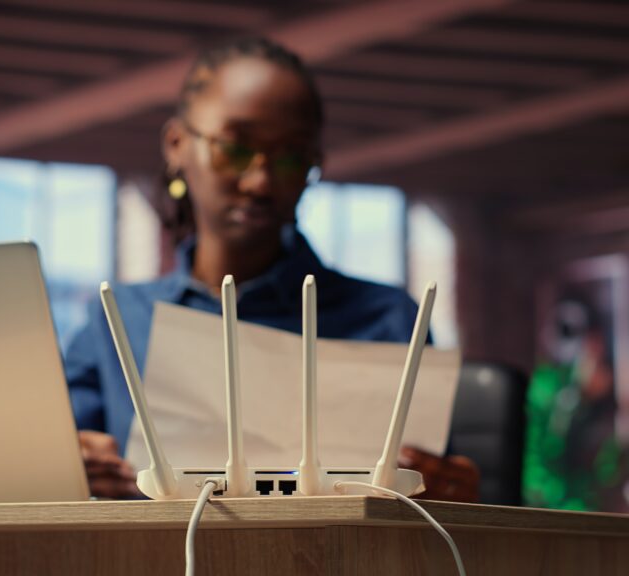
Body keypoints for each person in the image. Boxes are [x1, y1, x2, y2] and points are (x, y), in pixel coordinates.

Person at [64, 37, 478, 501]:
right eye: (235, 149)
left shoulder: (388, 318)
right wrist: (65, 467)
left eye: (290, 157)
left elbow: (430, 497)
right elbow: (49, 470)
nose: (261, 181)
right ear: (178, 145)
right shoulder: (119, 319)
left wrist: (450, 491)